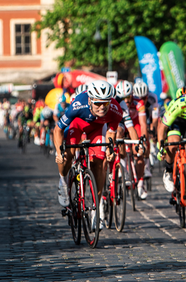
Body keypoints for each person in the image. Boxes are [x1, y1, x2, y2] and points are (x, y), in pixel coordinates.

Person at [52, 80, 139, 208]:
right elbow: (58, 129)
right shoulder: (78, 105)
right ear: (90, 101)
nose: (102, 107)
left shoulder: (116, 110)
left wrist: (110, 150)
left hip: (97, 129)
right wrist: (59, 153)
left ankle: (96, 207)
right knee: (68, 155)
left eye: (105, 103)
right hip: (77, 125)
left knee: (99, 162)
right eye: (98, 103)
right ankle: (63, 182)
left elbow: (111, 133)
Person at [157, 88, 186, 222]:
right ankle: (168, 169)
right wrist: (161, 146)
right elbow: (163, 127)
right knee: (172, 143)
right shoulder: (177, 104)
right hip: (177, 123)